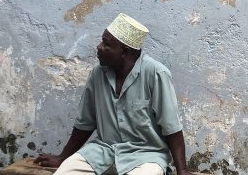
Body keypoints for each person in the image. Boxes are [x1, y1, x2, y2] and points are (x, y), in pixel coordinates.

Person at [36, 13, 192, 175]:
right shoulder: (98, 73)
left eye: (106, 43)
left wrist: (182, 170)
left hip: (145, 156)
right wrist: (63, 157)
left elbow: (171, 127)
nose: (99, 47)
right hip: (102, 152)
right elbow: (85, 123)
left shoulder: (156, 74)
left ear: (124, 51)